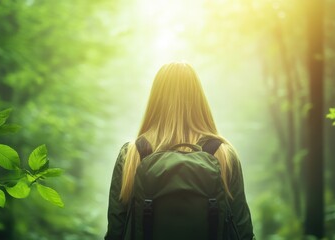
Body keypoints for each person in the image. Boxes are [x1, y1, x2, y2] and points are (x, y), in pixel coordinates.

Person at [105, 62, 254, 240]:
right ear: (198, 98)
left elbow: (116, 231)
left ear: (156, 99)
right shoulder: (222, 154)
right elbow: (243, 231)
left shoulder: (132, 154)